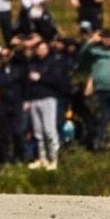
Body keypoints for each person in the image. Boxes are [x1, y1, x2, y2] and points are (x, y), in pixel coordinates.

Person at [23, 38, 69, 169]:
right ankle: (42, 158)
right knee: (38, 132)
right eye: (39, 49)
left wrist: (41, 78)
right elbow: (27, 84)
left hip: (48, 98)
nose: (41, 51)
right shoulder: (33, 63)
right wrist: (27, 99)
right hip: (34, 99)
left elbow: (58, 81)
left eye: (44, 48)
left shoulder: (54, 62)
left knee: (49, 130)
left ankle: (54, 159)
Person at [74, 30, 110, 151]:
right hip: (99, 90)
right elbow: (82, 54)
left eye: (109, 38)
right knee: (101, 117)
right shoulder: (95, 52)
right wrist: (91, 41)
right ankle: (99, 144)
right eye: (104, 38)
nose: (107, 41)